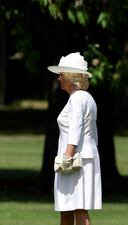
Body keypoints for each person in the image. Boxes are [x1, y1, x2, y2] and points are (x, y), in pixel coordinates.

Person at [48, 52, 102, 225]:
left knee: (78, 207)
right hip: (83, 157)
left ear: (70, 77)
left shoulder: (78, 98)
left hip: (75, 160)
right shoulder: (86, 98)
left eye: (61, 74)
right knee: (68, 207)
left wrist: (67, 157)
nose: (59, 78)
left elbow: (76, 129)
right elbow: (93, 133)